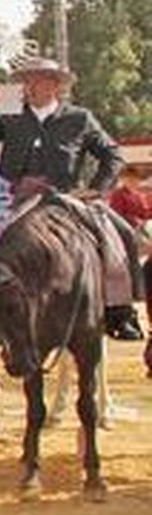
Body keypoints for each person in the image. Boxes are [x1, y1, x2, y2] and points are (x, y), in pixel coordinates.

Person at [0, 56, 145, 341]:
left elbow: (112, 154)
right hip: (22, 198)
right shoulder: (12, 116)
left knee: (117, 233)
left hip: (66, 196)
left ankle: (120, 312)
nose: (28, 86)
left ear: (54, 85)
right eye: (26, 81)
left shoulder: (79, 118)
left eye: (35, 80)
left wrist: (97, 189)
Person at [106, 161, 152, 376]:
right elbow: (117, 218)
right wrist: (138, 224)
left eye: (135, 177)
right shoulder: (119, 196)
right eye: (129, 177)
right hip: (128, 235)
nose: (133, 180)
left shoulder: (141, 195)